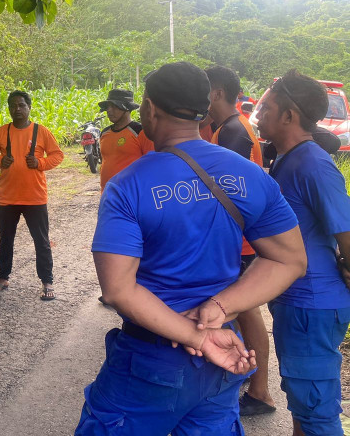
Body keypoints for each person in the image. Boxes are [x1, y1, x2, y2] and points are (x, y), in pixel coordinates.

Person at [76, 62, 307, 436]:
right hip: (221, 356)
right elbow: (291, 259)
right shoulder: (249, 175)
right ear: (203, 108)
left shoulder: (127, 186)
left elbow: (118, 290)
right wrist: (219, 308)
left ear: (150, 109)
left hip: (152, 360)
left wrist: (197, 336)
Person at [256, 70, 350, 436]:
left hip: (312, 305)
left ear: (289, 116)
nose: (259, 114)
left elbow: (346, 232)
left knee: (316, 411)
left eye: (266, 108)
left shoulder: (313, 164)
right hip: (298, 302)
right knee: (302, 402)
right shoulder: (287, 159)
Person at [204, 65, 275, 417]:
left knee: (247, 313)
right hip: (240, 239)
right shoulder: (229, 128)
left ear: (216, 92)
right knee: (245, 313)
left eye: (204, 91)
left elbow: (227, 193)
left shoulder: (233, 132)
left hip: (241, 242)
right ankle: (253, 378)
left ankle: (261, 390)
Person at [0, 90, 64, 301]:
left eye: (21, 105)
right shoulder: (1, 132)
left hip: (34, 198)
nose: (16, 109)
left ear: (29, 107)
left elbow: (57, 155)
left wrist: (40, 163)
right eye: (12, 106)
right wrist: (0, 161)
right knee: (6, 239)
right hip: (7, 197)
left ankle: (47, 281)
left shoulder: (41, 132)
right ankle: (3, 277)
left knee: (41, 241)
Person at [97, 88, 153, 190]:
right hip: (107, 193)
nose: (109, 110)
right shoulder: (105, 133)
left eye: (114, 106)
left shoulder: (140, 132)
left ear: (126, 108)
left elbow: (151, 164)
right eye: (108, 106)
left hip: (132, 192)